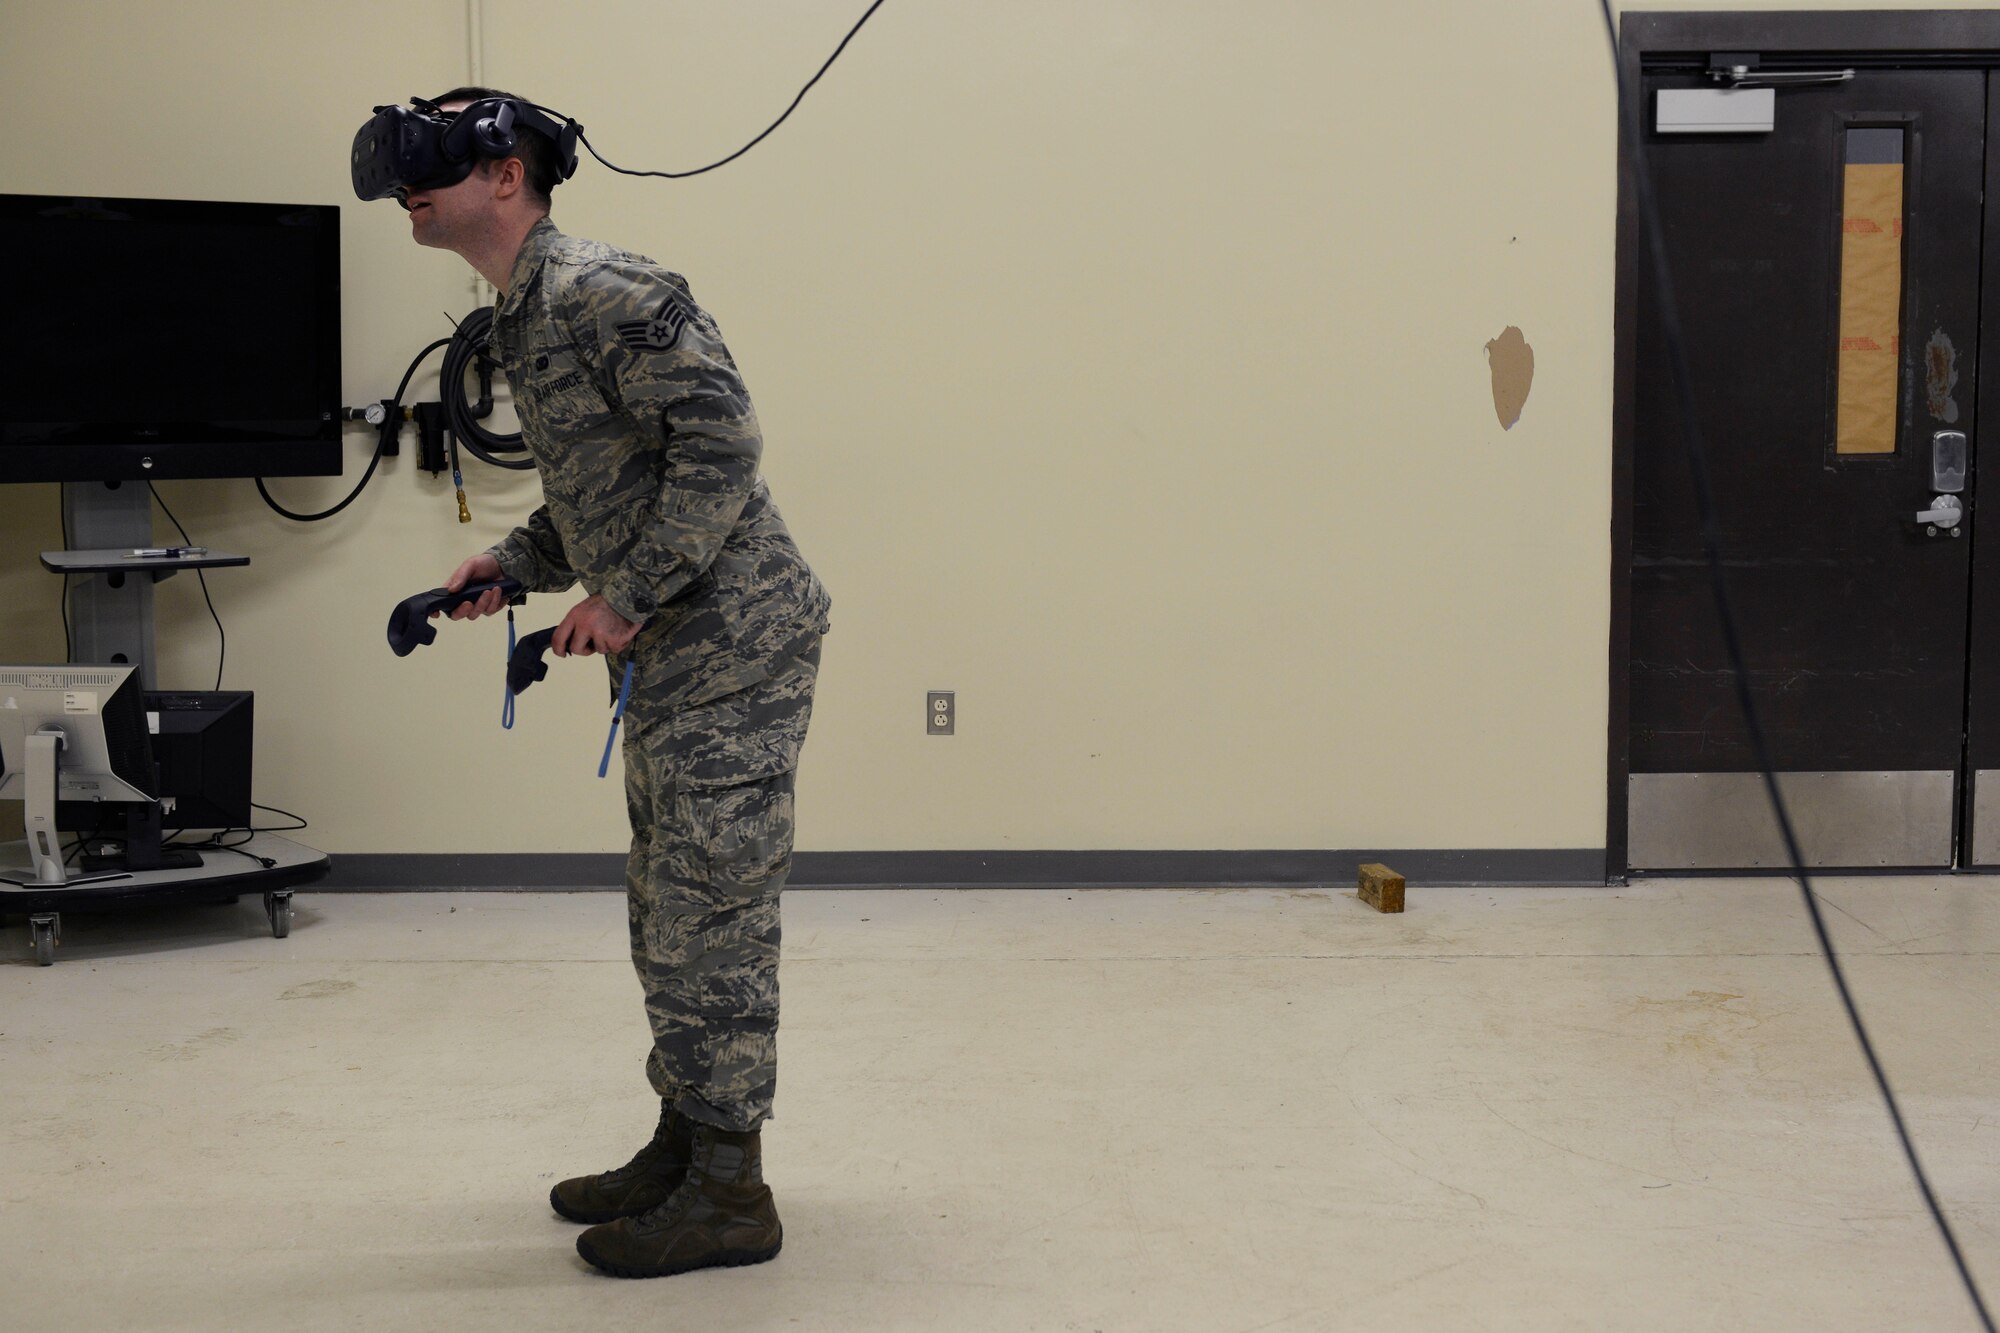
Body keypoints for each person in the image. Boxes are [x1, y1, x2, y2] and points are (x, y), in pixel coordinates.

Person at [397, 87, 830, 1278]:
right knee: (665, 907)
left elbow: (723, 446)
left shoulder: (602, 287)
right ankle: (687, 1142)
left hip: (730, 639)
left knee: (711, 916)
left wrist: (626, 595)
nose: (407, 192)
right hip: (677, 647)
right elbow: (608, 483)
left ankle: (733, 1192)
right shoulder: (521, 313)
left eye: (435, 165)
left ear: (506, 178)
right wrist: (517, 564)